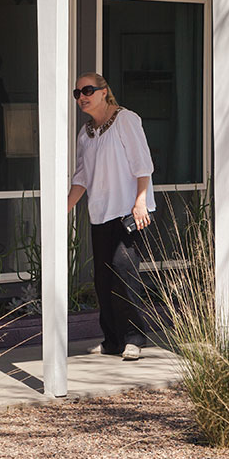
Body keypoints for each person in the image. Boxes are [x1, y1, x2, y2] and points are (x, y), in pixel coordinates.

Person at [66, 73, 156, 362]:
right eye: (77, 92)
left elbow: (143, 165)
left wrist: (140, 202)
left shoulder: (126, 120)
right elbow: (82, 176)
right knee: (103, 279)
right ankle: (112, 340)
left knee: (124, 273)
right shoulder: (86, 133)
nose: (82, 96)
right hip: (100, 213)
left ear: (105, 92)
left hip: (127, 211)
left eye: (88, 90)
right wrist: (65, 207)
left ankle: (134, 337)